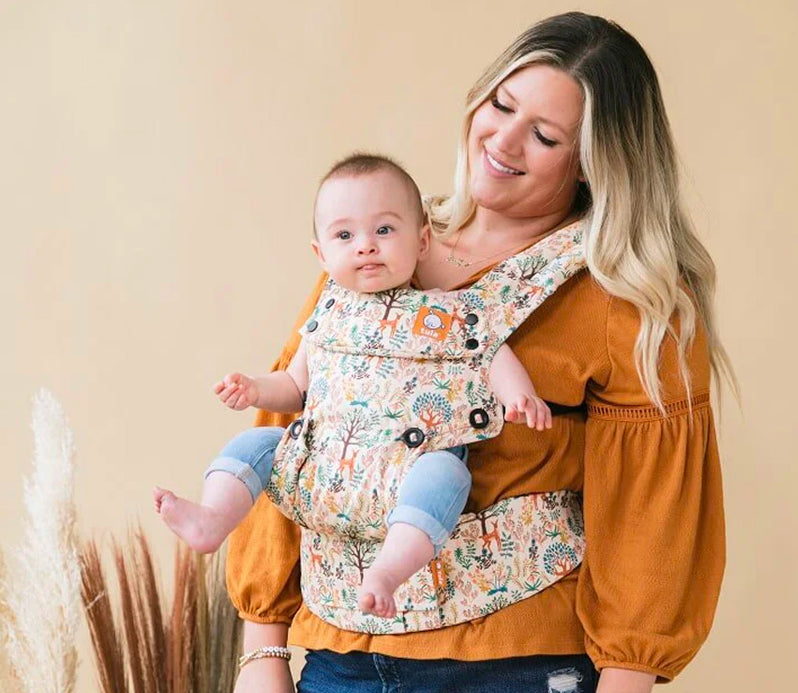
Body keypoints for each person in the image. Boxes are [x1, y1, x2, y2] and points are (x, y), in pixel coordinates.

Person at [228, 12, 732, 693]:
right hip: (344, 679)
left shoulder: (628, 305)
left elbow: (657, 522)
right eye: (502, 105)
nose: (505, 140)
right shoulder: (380, 240)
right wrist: (264, 647)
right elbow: (306, 444)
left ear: (597, 164)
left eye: (548, 135)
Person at [153, 154, 556, 618]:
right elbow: (295, 385)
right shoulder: (327, 314)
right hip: (325, 463)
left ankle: (387, 571)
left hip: (408, 466)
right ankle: (213, 518)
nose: (366, 246)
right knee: (256, 443)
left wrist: (516, 394)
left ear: (422, 240)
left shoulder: (444, 310)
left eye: (384, 230)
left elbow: (488, 351)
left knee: (445, 475)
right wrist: (257, 390)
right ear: (321, 255)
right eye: (345, 236)